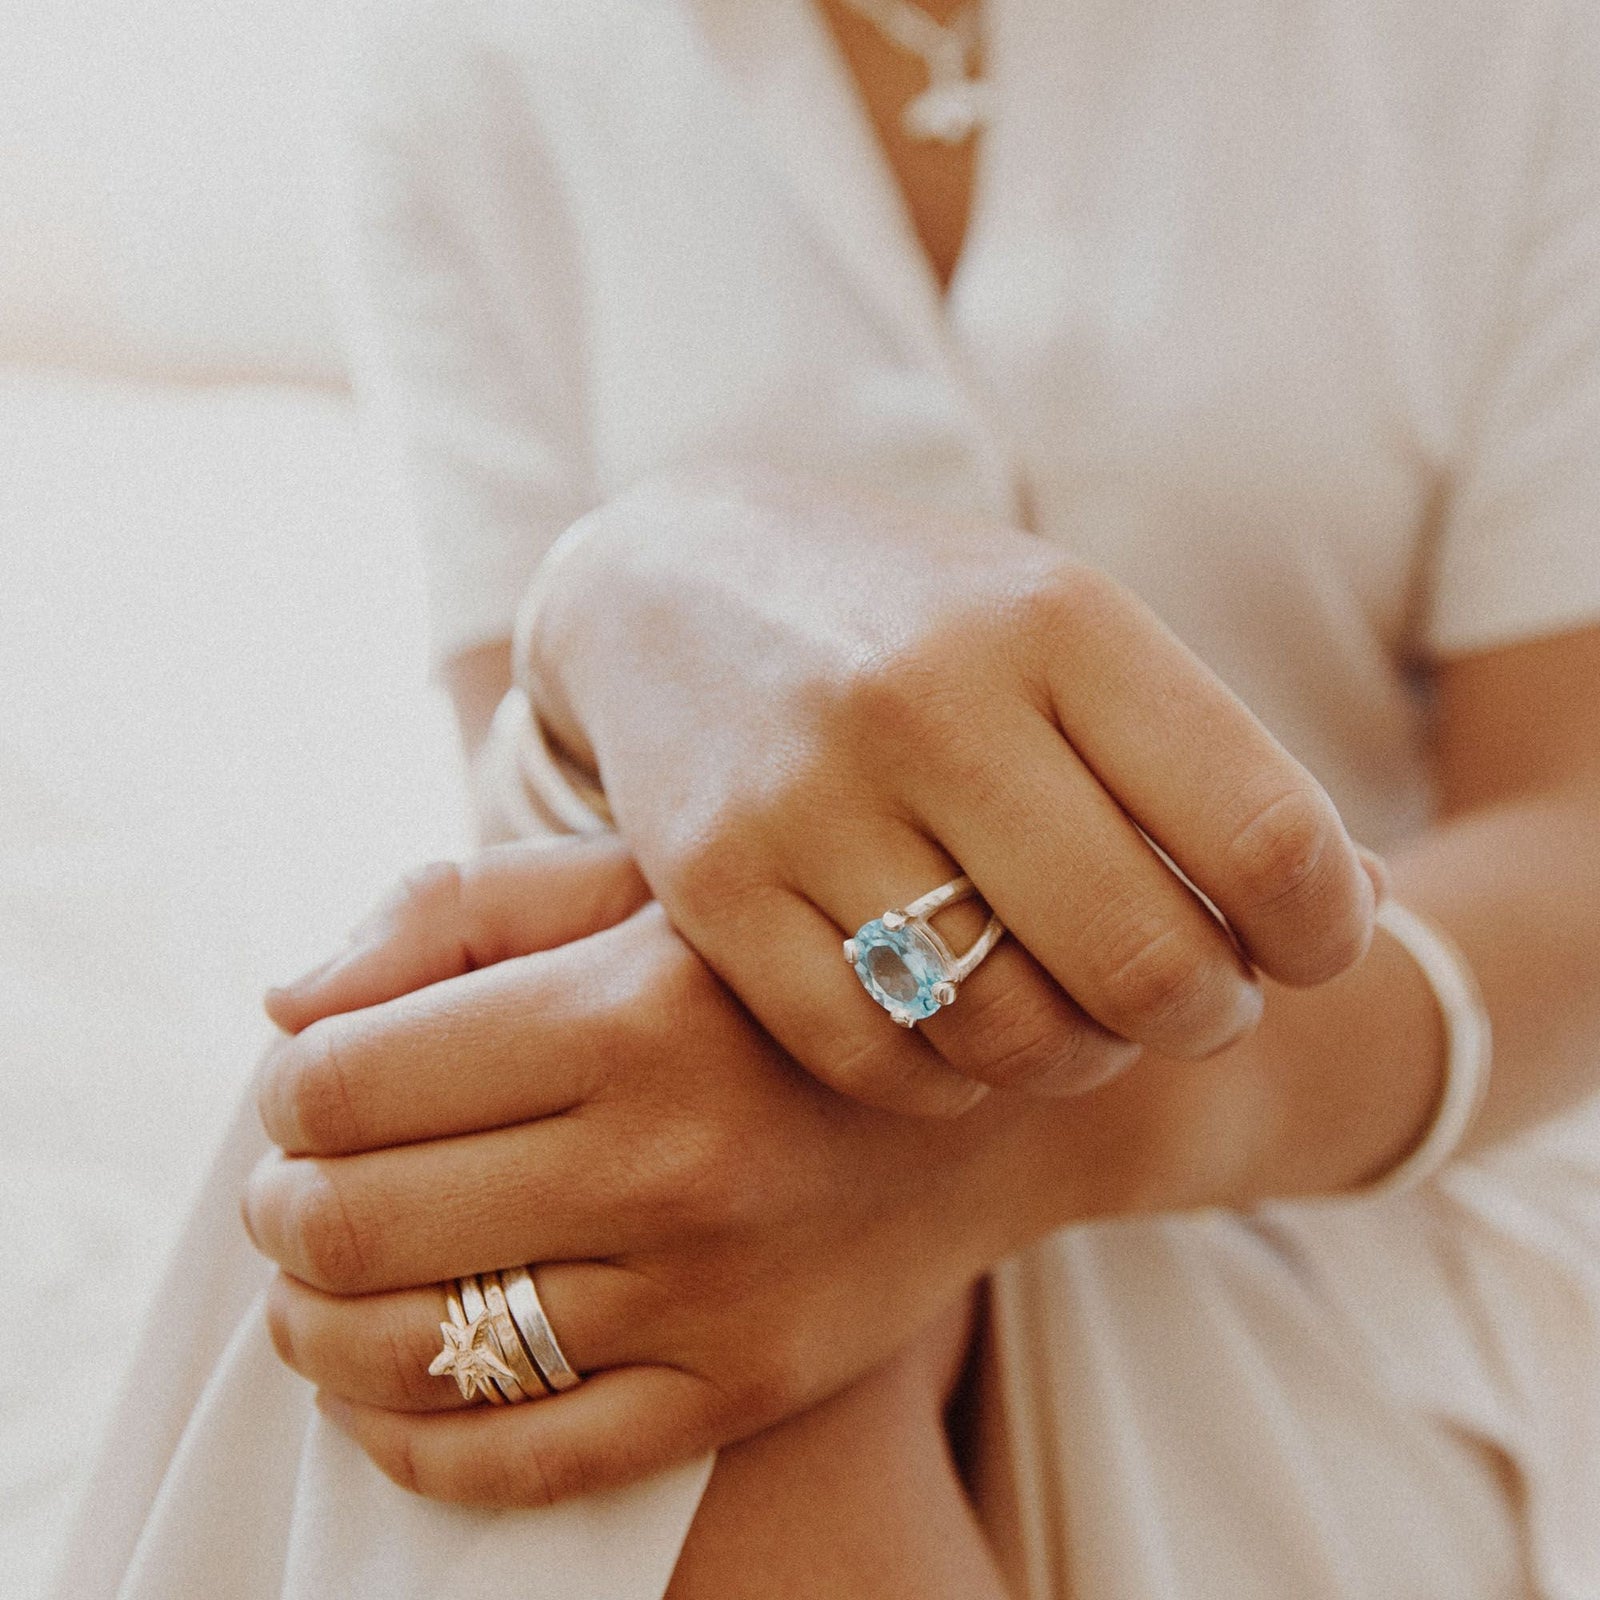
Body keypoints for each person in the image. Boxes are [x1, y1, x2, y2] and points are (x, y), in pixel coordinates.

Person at [51, 0, 1600, 1594]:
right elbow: (545, 856)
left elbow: (1579, 830)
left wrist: (1029, 1143)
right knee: (599, 1208)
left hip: (1369, 1198)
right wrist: (620, 588)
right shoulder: (462, 64)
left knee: (657, 1262)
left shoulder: (1493, 45)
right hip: (796, 1092)